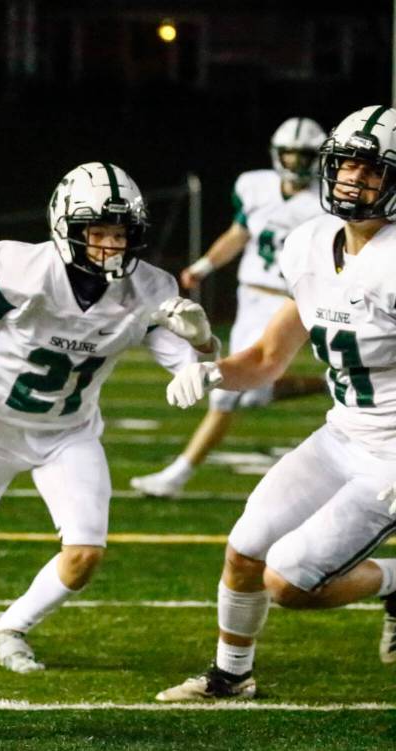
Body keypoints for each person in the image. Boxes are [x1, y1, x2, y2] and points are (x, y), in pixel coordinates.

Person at [0, 162, 218, 672]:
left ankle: (11, 627)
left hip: (68, 435)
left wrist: (201, 348)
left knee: (86, 553)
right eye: (96, 232)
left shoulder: (149, 290)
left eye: (120, 234)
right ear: (66, 229)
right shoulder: (18, 269)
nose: (109, 246)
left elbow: (199, 365)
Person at [155, 105, 396, 702]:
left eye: (372, 172)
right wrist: (210, 368)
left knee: (287, 582)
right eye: (346, 167)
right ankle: (231, 676)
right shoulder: (310, 243)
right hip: (342, 434)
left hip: (392, 455)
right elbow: (267, 358)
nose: (353, 182)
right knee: (244, 550)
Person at [130, 118, 328, 498]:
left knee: (225, 391)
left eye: (304, 155)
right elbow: (240, 234)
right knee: (252, 388)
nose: (296, 162)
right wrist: (205, 265)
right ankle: (328, 385)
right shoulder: (256, 187)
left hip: (284, 300)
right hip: (248, 297)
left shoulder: (326, 203)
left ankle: (177, 475)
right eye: (289, 153)